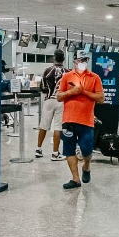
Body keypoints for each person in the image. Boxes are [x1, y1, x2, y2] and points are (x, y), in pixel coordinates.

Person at [56, 52, 104, 190]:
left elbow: (101, 98)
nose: (82, 62)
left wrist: (83, 92)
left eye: (85, 60)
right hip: (68, 120)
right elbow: (59, 97)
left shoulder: (94, 78)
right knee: (68, 149)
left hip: (86, 120)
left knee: (86, 149)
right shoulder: (67, 77)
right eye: (80, 60)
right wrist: (72, 92)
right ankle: (75, 179)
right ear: (75, 61)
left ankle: (86, 167)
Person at [35, 50, 66, 160]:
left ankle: (38, 149)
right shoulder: (68, 72)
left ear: (54, 58)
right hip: (61, 101)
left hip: (48, 101)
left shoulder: (47, 71)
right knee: (58, 127)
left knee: (43, 125)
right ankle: (55, 153)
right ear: (64, 59)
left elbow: (42, 88)